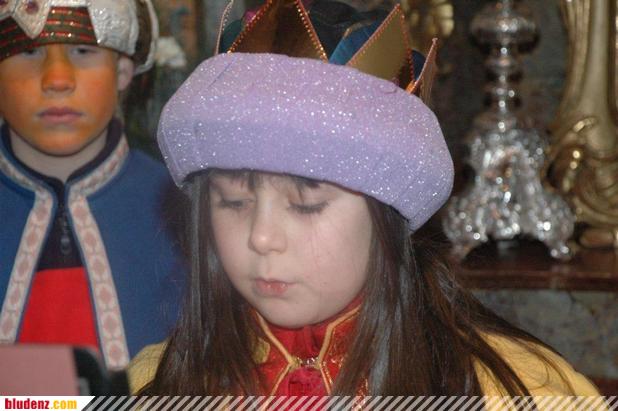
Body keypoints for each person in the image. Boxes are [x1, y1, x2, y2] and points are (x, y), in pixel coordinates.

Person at [128, 0, 600, 400]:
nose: (262, 237)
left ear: (384, 214)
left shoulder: (524, 391)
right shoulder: (152, 385)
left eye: (306, 204)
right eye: (233, 201)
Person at [0, 0, 184, 370]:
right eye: (30, 51)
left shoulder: (183, 215)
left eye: (83, 50)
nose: (57, 80)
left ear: (123, 71)